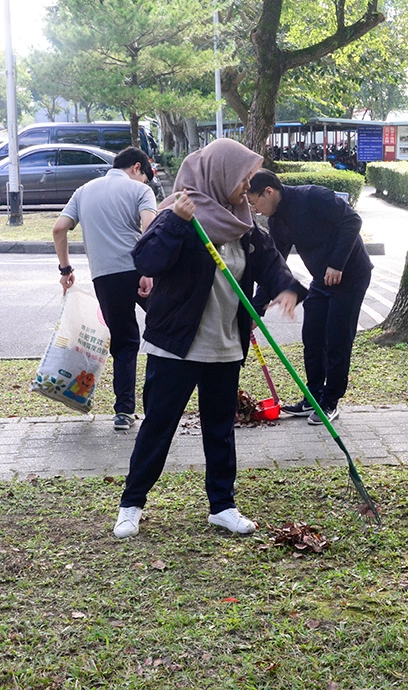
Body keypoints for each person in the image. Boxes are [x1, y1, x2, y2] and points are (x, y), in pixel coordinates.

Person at [113, 139, 305, 540]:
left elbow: (271, 264)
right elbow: (146, 260)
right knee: (159, 426)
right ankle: (131, 504)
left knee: (220, 428)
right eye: (243, 179)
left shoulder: (244, 226)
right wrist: (179, 223)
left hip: (225, 344)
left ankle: (223, 505)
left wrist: (287, 288)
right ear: (220, 175)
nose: (247, 188)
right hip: (176, 346)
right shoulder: (181, 212)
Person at [247, 170, 373, 425]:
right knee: (312, 336)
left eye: (254, 203)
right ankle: (313, 396)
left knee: (338, 339)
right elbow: (275, 266)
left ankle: (330, 402)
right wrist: (255, 309)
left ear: (269, 191)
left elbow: (352, 221)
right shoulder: (277, 222)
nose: (256, 211)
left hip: (351, 276)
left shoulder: (313, 197)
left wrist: (337, 263)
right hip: (321, 281)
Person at [52, 147, 157, 430]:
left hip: (105, 277)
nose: (145, 184)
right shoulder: (140, 192)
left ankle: (124, 412)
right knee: (167, 329)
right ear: (137, 167)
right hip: (138, 272)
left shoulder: (84, 190)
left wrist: (66, 270)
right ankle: (160, 406)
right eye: (145, 178)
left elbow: (59, 229)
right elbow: (150, 229)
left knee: (124, 343)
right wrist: (148, 270)